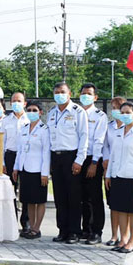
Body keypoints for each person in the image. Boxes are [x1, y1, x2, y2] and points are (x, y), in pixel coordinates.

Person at [47, 82, 89, 244]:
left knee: (73, 196)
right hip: (55, 157)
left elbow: (84, 137)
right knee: (60, 196)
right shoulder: (52, 113)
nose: (59, 94)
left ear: (69, 93)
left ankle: (74, 232)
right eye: (56, 92)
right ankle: (62, 230)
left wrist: (79, 160)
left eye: (62, 92)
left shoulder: (78, 112)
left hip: (72, 157)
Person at [105, 102, 133, 253]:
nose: (124, 115)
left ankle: (132, 241)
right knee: (121, 209)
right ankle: (123, 239)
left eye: (128, 112)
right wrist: (108, 175)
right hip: (118, 176)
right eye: (122, 112)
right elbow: (113, 155)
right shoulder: (118, 131)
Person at [13, 101, 50, 239]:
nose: (31, 112)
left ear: (40, 112)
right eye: (29, 110)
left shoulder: (44, 129)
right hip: (25, 168)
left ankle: (36, 228)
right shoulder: (23, 129)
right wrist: (16, 167)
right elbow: (20, 150)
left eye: (35, 110)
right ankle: (30, 226)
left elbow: (46, 152)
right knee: (28, 200)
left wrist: (45, 173)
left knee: (39, 200)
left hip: (38, 170)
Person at [78, 83, 108, 244]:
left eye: (89, 93)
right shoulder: (76, 113)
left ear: (95, 97)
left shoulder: (99, 116)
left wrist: (95, 163)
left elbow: (99, 141)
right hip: (78, 159)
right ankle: (85, 229)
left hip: (92, 159)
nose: (85, 96)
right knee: (82, 197)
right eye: (83, 93)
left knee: (94, 197)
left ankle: (96, 231)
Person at [102, 96, 130, 246]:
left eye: (118, 108)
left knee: (125, 206)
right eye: (113, 108)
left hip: (125, 170)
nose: (115, 111)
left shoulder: (130, 128)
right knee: (113, 205)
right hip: (110, 170)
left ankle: (125, 236)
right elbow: (105, 145)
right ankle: (114, 235)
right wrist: (105, 160)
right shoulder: (109, 126)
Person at [1, 92, 30, 233]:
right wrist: (2, 163)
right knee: (9, 190)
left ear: (24, 103)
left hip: (26, 157)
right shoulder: (6, 121)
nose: (16, 103)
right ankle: (12, 221)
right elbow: (2, 143)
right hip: (10, 157)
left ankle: (26, 222)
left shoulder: (30, 119)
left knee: (25, 190)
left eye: (19, 101)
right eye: (13, 101)